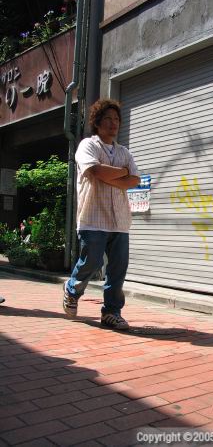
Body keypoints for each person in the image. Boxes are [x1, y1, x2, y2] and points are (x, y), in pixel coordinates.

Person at [63, 99, 140, 330]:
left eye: (116, 119)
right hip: (93, 216)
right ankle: (72, 289)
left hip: (119, 220)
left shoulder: (124, 151)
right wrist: (122, 174)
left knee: (117, 269)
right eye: (108, 118)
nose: (113, 123)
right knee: (92, 262)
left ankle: (111, 312)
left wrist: (113, 175)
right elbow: (95, 170)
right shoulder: (88, 146)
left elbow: (134, 180)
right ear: (97, 122)